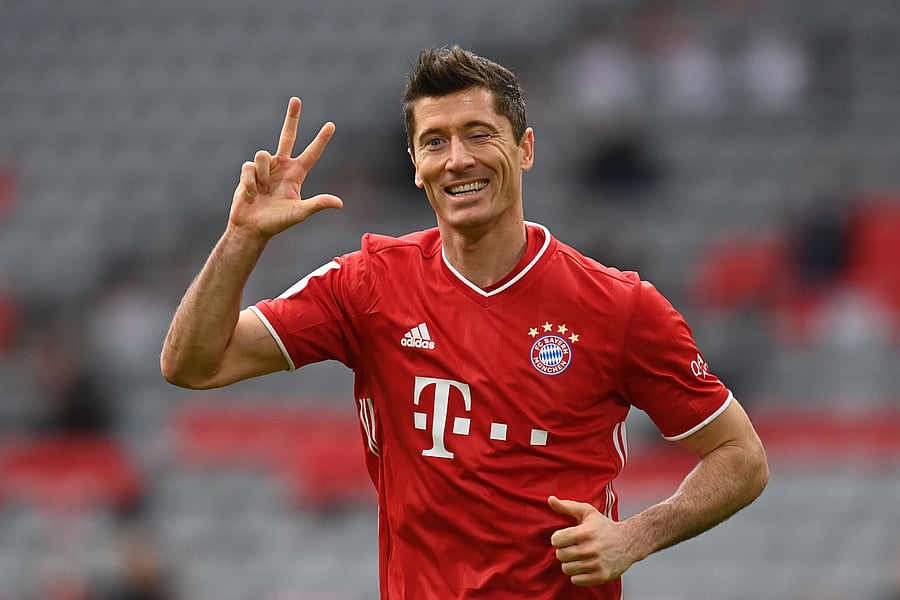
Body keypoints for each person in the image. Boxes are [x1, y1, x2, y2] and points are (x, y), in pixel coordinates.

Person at [160, 46, 768, 599]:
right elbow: (192, 364)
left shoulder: (618, 306)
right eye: (434, 141)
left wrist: (637, 535)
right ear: (414, 162)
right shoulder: (366, 283)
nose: (457, 160)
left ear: (525, 147)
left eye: (479, 135)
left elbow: (740, 456)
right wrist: (241, 237)